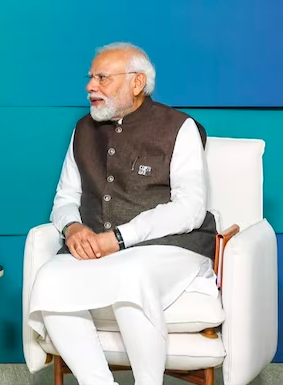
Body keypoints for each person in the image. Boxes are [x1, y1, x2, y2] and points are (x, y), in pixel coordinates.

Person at [28, 43, 218, 385]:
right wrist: (72, 228)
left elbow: (189, 208)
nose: (90, 86)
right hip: (100, 247)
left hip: (174, 247)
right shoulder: (83, 130)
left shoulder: (180, 127)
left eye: (102, 77)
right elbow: (65, 197)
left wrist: (119, 238)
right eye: (90, 77)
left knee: (131, 272)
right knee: (50, 278)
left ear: (137, 83)